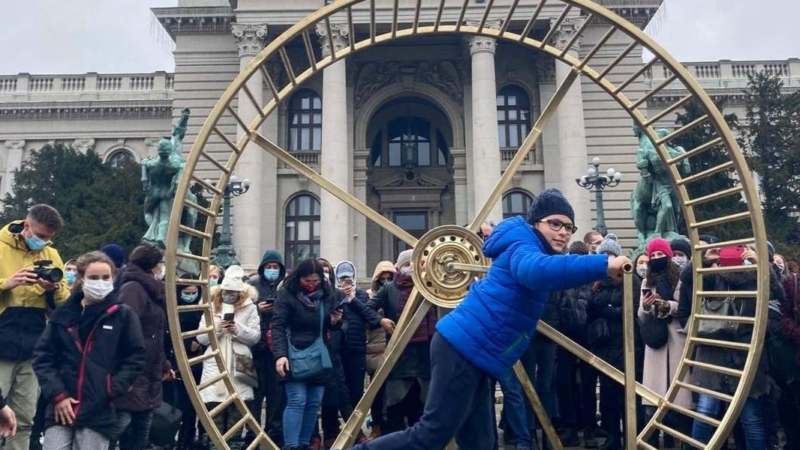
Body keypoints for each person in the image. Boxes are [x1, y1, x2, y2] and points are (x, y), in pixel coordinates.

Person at [350, 188, 629, 450]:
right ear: (536, 223)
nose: (563, 233)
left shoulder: (527, 244)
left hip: (476, 355)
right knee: (431, 435)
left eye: (569, 227)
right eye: (555, 224)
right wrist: (603, 264)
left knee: (480, 442)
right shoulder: (524, 247)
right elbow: (536, 271)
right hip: (463, 350)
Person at [32, 251, 145, 450]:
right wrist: (57, 394)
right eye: (93, 278)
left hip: (98, 409)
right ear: (82, 279)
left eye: (105, 277)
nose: (100, 282)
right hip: (61, 406)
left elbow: (135, 357)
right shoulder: (63, 315)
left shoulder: (123, 315)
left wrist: (111, 388)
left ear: (113, 278)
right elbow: (44, 357)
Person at [0, 204, 71, 450]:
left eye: (50, 238)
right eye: (41, 236)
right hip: (2, 339)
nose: (45, 242)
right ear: (26, 225)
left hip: (34, 346)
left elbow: (65, 302)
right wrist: (6, 283)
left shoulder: (51, 255)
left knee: (25, 417)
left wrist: (54, 289)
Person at [690, 245, 768, 449]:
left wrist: (762, 264)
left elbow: (777, 292)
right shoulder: (713, 278)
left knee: (750, 417)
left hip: (744, 355)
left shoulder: (755, 280)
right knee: (707, 412)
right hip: (718, 355)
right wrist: (703, 259)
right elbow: (689, 278)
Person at [271, 259, 343, 450]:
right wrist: (280, 355)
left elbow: (330, 325)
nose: (311, 285)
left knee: (313, 403)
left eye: (315, 281)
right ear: (298, 278)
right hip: (294, 354)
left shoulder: (327, 295)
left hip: (319, 354)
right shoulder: (286, 294)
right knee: (297, 400)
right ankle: (291, 446)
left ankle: (304, 444)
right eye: (307, 281)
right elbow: (277, 326)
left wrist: (335, 321)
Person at [369, 250, 437, 435]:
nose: (411, 268)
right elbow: (367, 309)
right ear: (398, 267)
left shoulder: (429, 287)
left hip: (424, 355)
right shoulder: (389, 289)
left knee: (422, 408)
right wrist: (380, 320)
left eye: (415, 263)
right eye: (407, 264)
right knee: (396, 407)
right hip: (399, 356)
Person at [114, 244, 173, 450]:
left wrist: (164, 362)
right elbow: (127, 329)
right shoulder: (134, 288)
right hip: (136, 368)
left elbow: (154, 333)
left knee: (140, 431)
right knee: (124, 428)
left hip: (149, 367)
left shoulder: (147, 288)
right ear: (153, 265)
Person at [195, 265, 261, 443]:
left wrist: (237, 329)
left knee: (237, 418)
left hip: (239, 363)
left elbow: (255, 336)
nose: (230, 295)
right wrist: (217, 328)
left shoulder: (250, 308)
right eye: (227, 292)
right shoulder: (211, 307)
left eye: (234, 292)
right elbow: (201, 338)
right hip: (214, 363)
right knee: (214, 419)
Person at [637, 238, 692, 446]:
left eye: (661, 255)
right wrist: (646, 305)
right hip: (656, 343)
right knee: (655, 404)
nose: (657, 258)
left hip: (677, 339)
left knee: (681, 404)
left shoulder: (680, 278)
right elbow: (641, 315)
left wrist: (665, 304)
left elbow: (684, 307)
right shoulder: (646, 281)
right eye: (653, 256)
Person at [587, 233, 629, 450]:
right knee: (607, 398)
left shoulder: (628, 282)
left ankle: (629, 436)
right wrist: (608, 309)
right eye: (604, 254)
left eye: (611, 254)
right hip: (603, 347)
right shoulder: (597, 284)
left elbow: (626, 311)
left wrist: (607, 310)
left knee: (624, 397)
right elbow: (590, 309)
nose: (607, 258)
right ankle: (612, 437)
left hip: (623, 346)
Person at [246, 250, 287, 446]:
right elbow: (242, 311)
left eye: (275, 267)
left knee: (276, 396)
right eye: (269, 267)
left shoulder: (284, 287)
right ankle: (252, 433)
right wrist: (257, 309)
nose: (272, 270)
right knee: (254, 395)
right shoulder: (252, 285)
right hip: (257, 349)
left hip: (276, 349)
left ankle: (273, 432)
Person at [164, 276, 206, 450]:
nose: (190, 296)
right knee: (178, 405)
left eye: (194, 292)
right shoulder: (171, 310)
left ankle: (188, 439)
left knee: (193, 406)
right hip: (176, 363)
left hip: (198, 362)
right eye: (186, 292)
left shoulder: (202, 310)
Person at [365, 261, 396, 439]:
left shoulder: (397, 294)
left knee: (394, 391)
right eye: (382, 278)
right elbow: (367, 317)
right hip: (375, 350)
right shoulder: (371, 296)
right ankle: (377, 425)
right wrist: (379, 319)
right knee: (377, 391)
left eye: (389, 278)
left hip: (393, 348)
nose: (386, 281)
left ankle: (391, 425)